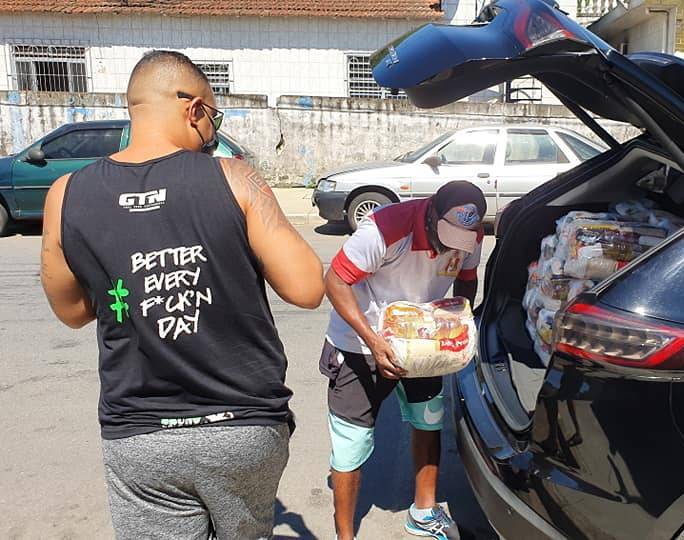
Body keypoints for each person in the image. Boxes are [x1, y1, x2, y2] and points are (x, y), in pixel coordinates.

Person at [39, 50, 325, 540]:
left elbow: (72, 311)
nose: (213, 129)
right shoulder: (234, 178)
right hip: (243, 427)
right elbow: (307, 288)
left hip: (139, 433)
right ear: (193, 109)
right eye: (214, 117)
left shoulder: (66, 193)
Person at [322, 181, 485, 540]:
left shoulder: (470, 235)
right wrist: (373, 341)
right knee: (352, 442)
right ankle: (344, 536)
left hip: (423, 338)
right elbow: (334, 281)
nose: (452, 247)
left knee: (429, 420)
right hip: (361, 343)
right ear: (430, 214)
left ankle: (423, 513)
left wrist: (458, 323)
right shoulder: (385, 228)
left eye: (461, 241)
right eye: (446, 236)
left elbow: (467, 280)